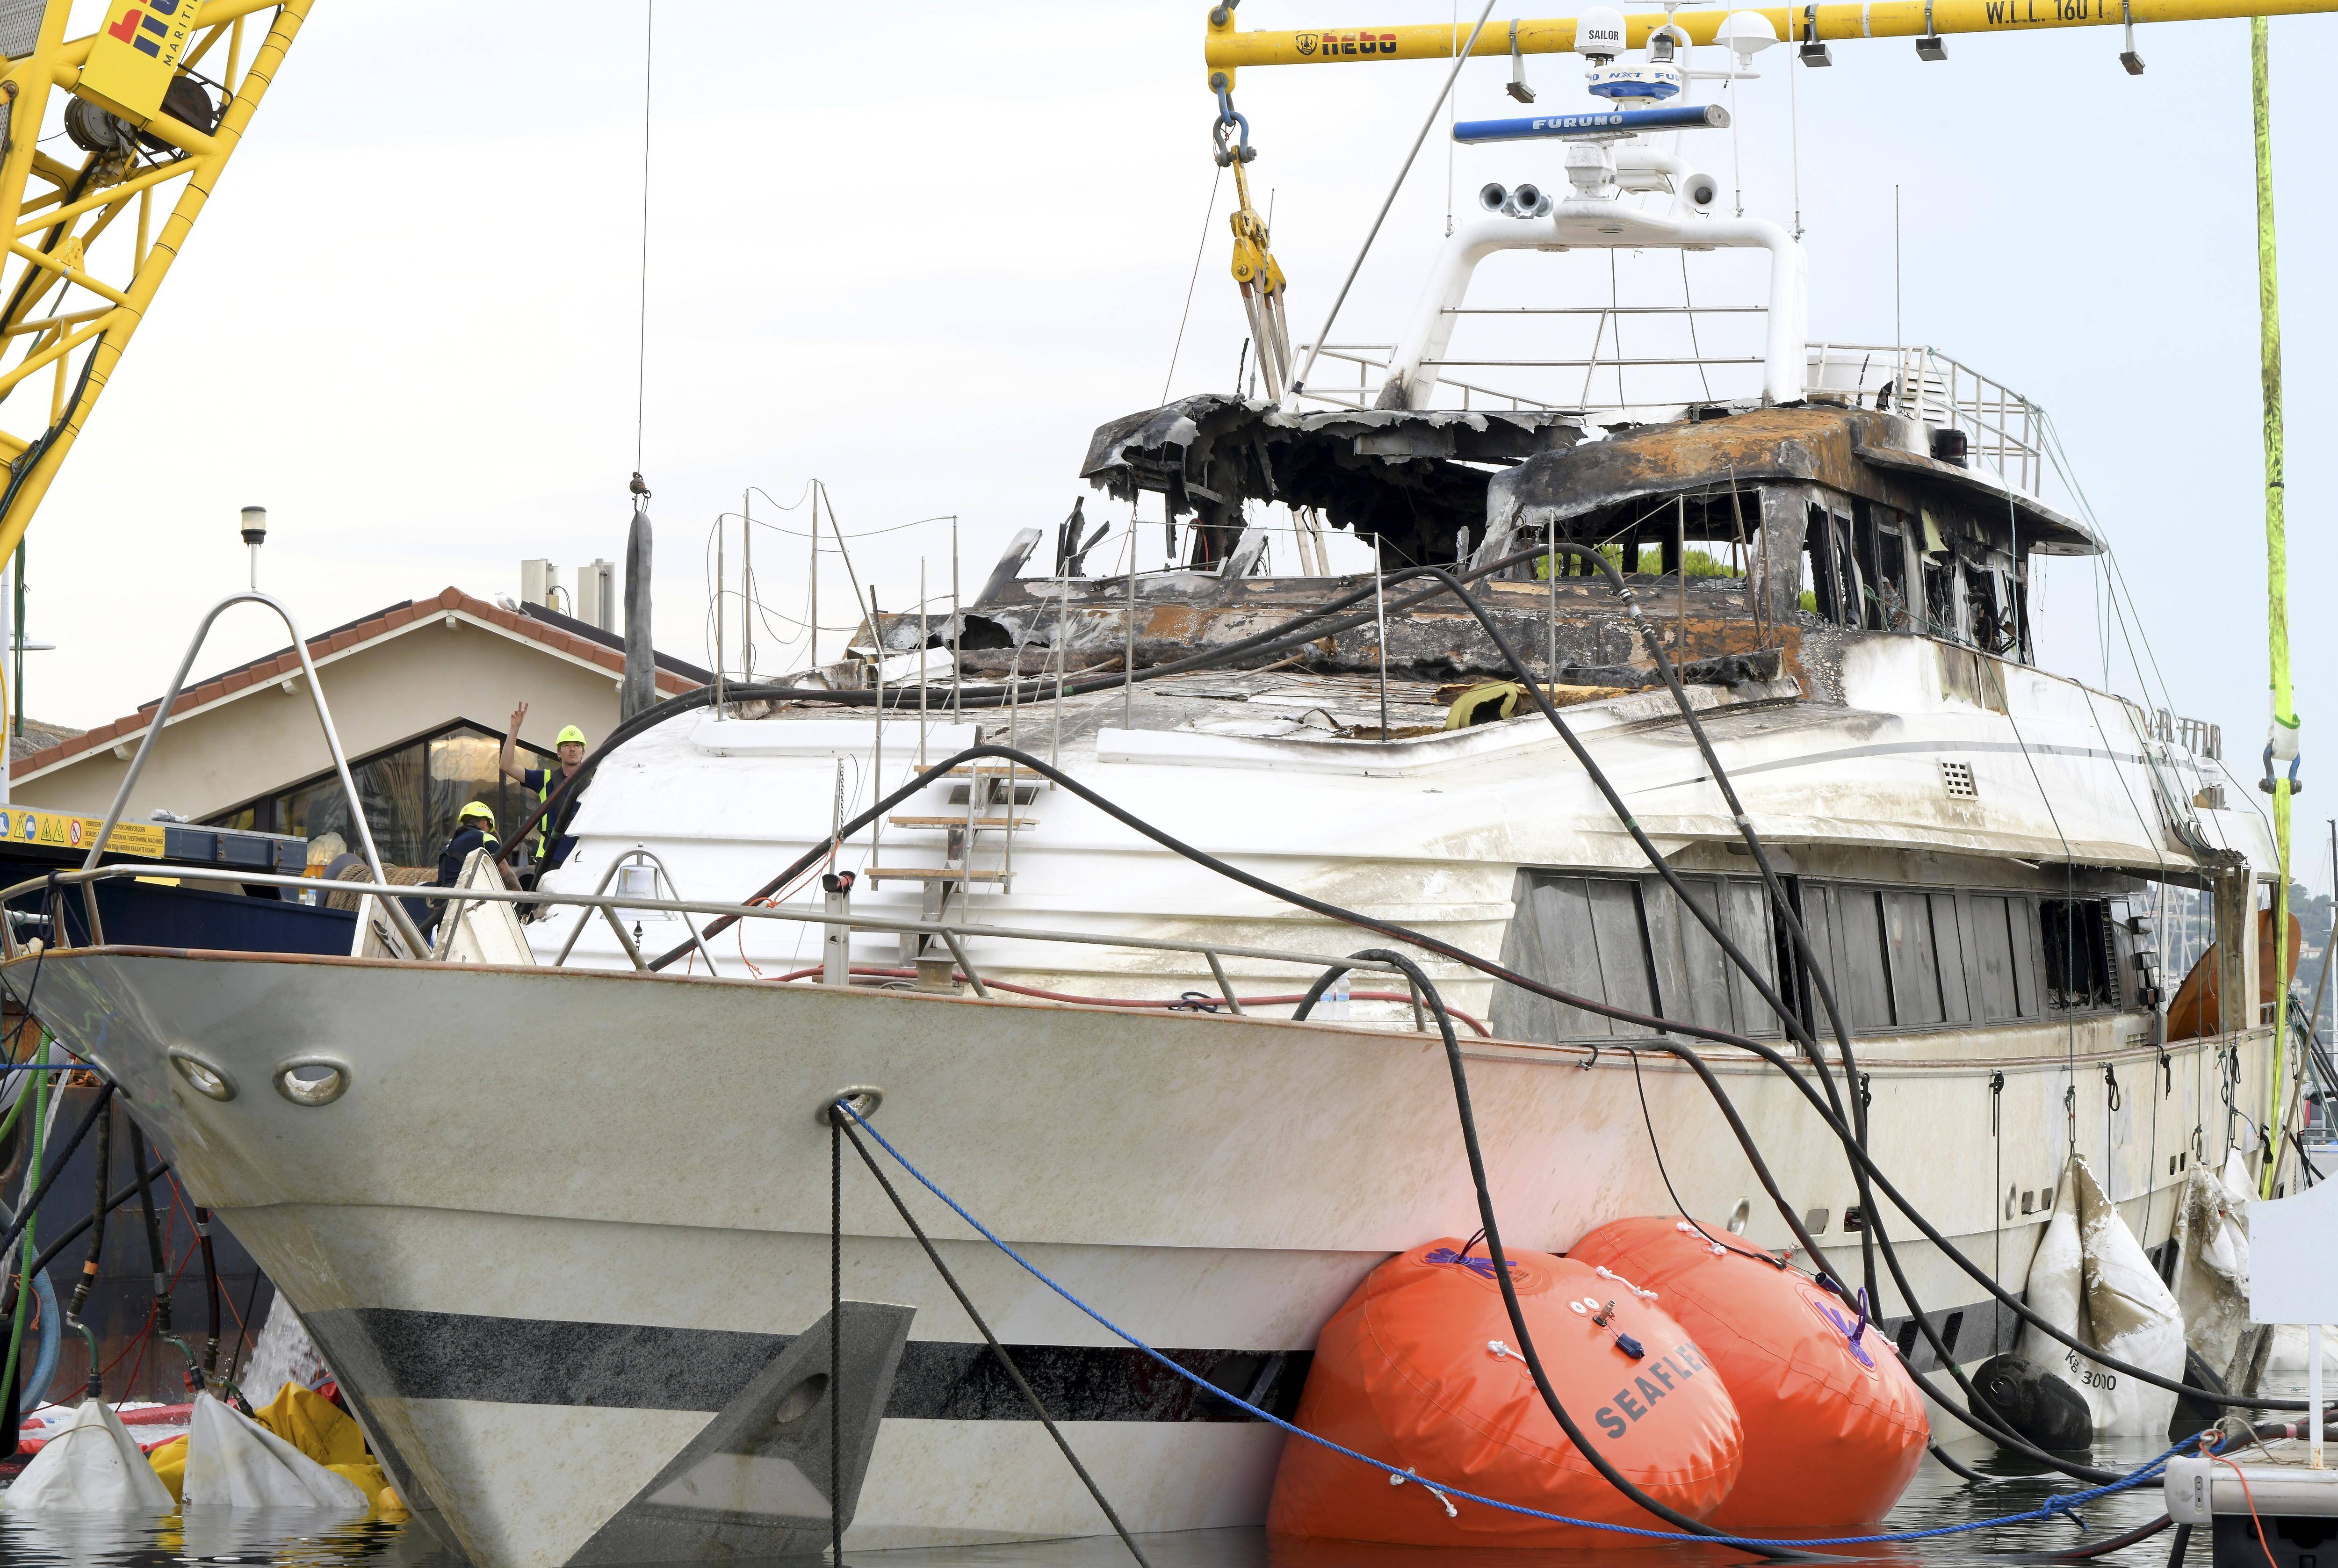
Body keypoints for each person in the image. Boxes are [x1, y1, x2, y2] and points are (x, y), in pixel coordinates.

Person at [499, 702, 589, 875]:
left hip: (580, 858)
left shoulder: (594, 785)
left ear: (583, 752)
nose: (572, 749)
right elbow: (507, 765)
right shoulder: (546, 780)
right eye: (567, 745)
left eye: (577, 745)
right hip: (548, 858)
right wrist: (514, 729)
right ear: (559, 752)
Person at [415, 800, 501, 941]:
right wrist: (520, 897)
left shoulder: (452, 843)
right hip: (461, 902)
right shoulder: (485, 837)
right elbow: (503, 871)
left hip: (440, 902)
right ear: (487, 823)